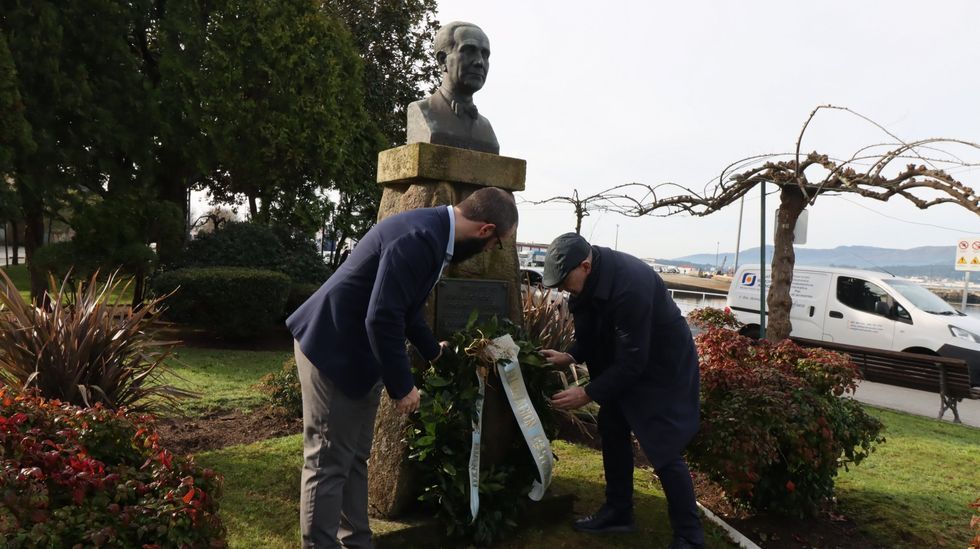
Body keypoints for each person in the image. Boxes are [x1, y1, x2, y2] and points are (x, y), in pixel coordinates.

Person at [286, 187, 518, 548]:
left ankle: (357, 542)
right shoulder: (420, 238)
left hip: (356, 356)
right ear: (486, 230)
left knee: (354, 459)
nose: (491, 251)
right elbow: (381, 317)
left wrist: (433, 352)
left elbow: (405, 308)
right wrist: (402, 387)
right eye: (496, 245)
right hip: (332, 351)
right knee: (328, 464)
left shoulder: (433, 235)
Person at [539, 232, 704, 549]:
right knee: (612, 427)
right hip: (625, 364)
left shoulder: (630, 287)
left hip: (661, 368)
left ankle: (690, 537)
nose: (559, 288)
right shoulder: (584, 286)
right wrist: (570, 355)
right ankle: (618, 512)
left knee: (662, 446)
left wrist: (587, 393)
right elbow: (590, 336)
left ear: (585, 265)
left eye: (562, 280)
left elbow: (634, 362)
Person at [406, 21, 499, 154]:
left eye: (485, 54)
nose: (479, 62)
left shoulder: (486, 128)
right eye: (468, 51)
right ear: (442, 60)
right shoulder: (423, 112)